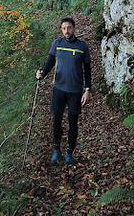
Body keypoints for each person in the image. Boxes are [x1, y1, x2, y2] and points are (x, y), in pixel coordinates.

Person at [36, 17, 91, 165]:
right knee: (57, 121)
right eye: (64, 28)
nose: (67, 31)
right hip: (59, 89)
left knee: (73, 122)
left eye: (69, 28)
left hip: (75, 91)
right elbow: (49, 64)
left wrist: (87, 90)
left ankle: (69, 153)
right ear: (61, 29)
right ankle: (56, 150)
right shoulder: (57, 44)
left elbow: (87, 70)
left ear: (74, 28)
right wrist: (41, 74)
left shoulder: (82, 46)